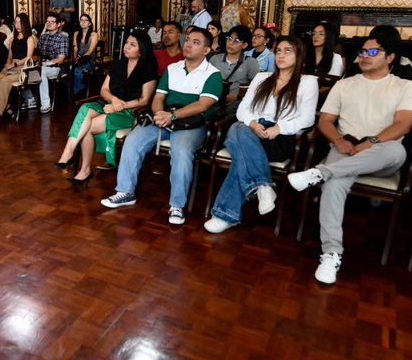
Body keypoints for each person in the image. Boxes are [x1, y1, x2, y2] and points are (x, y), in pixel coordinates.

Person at [286, 31, 412, 284]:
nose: (365, 57)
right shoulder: (345, 84)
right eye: (362, 52)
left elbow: (403, 124)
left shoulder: (404, 86)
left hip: (382, 152)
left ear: (390, 57)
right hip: (345, 147)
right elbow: (325, 121)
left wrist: (370, 143)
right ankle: (331, 253)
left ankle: (321, 172)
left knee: (395, 149)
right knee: (334, 185)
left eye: (373, 52)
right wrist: (338, 140)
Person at [101, 28, 222, 226]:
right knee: (133, 140)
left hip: (192, 123)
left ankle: (177, 205)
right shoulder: (172, 69)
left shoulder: (213, 75)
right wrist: (159, 114)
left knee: (181, 150)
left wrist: (172, 115)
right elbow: (158, 97)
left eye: (196, 42)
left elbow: (202, 105)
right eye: (188, 40)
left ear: (207, 50)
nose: (188, 45)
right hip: (165, 117)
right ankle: (125, 191)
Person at [204, 35, 319, 233]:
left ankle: (229, 212)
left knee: (240, 147)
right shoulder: (262, 78)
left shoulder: (307, 82)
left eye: (288, 51)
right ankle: (262, 187)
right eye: (279, 50)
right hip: (252, 131)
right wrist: (252, 123)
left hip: (279, 138)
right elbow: (243, 109)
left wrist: (279, 128)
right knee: (239, 129)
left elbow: (307, 119)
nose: (281, 55)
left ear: (299, 55)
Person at [57, 31, 160, 185]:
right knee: (85, 108)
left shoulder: (148, 68)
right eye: (126, 43)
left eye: (132, 45)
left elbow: (144, 100)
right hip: (109, 105)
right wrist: (114, 100)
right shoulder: (118, 64)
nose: (126, 47)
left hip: (131, 113)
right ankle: (69, 152)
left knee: (86, 127)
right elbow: (103, 91)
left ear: (142, 50)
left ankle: (83, 167)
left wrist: (118, 107)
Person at [0, 14, 37, 119]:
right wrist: (7, 66)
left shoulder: (30, 39)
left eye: (20, 23)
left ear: (25, 24)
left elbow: (28, 57)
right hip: (12, 66)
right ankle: (7, 107)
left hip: (24, 67)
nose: (18, 25)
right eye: (16, 22)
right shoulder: (12, 39)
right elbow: (9, 57)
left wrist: (13, 65)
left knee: (4, 81)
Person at [208, 25, 261, 115]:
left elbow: (258, 87)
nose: (230, 43)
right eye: (229, 38)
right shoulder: (214, 59)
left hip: (234, 104)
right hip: (213, 100)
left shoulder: (250, 62)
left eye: (236, 41)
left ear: (244, 45)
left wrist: (238, 96)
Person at [36, 13, 70, 114]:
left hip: (57, 67)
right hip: (42, 64)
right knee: (27, 70)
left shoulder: (62, 38)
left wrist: (46, 63)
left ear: (58, 24)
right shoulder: (43, 37)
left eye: (52, 22)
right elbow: (37, 55)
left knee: (41, 71)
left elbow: (60, 59)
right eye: (47, 22)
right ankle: (30, 99)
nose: (49, 24)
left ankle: (46, 104)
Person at [71, 13, 99, 96]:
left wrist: (80, 58)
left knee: (77, 69)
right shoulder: (76, 33)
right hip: (78, 57)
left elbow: (90, 51)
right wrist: (75, 57)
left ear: (89, 23)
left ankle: (78, 90)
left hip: (89, 59)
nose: (83, 22)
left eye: (85, 20)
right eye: (81, 20)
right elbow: (75, 48)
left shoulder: (94, 35)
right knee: (68, 68)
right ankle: (75, 87)